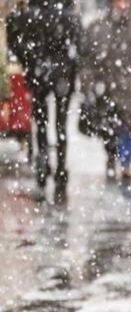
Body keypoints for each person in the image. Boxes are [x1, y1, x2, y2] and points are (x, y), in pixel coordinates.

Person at [80, 0, 131, 198]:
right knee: (108, 128)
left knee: (130, 127)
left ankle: (125, 164)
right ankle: (110, 157)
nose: (123, 5)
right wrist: (87, 84)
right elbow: (89, 59)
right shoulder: (98, 26)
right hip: (106, 87)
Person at [6, 0, 81, 204]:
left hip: (39, 73)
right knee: (61, 125)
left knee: (41, 123)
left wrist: (30, 61)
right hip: (61, 76)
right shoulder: (67, 14)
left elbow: (14, 39)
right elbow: (78, 43)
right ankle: (61, 170)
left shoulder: (29, 14)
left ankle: (43, 165)